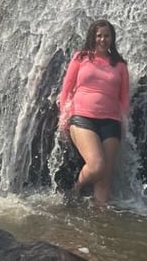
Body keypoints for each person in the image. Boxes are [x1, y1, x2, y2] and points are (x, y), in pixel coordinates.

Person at [57, 19, 130, 206]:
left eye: (106, 36)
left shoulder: (120, 66)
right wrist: (64, 116)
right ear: (92, 37)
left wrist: (123, 124)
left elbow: (124, 100)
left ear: (112, 38)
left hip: (111, 122)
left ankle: (99, 222)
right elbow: (66, 89)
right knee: (97, 166)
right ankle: (75, 190)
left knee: (105, 178)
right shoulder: (80, 58)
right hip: (82, 118)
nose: (102, 39)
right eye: (99, 35)